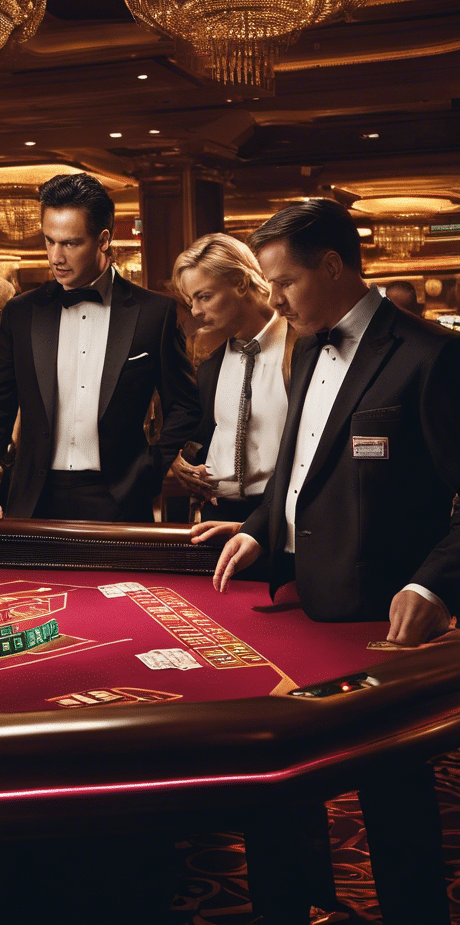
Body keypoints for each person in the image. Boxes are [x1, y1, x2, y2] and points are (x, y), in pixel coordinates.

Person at [198, 198, 460, 924]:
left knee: (393, 798)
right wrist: (261, 527)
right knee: (287, 781)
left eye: (284, 282)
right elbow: (300, 462)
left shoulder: (431, 356)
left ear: (336, 266)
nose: (274, 299)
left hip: (382, 621)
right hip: (304, 607)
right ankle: (300, 907)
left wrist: (434, 582)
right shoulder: (309, 343)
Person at [0, 172, 200, 532]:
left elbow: (185, 404)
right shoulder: (22, 312)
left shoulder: (154, 313)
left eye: (71, 243)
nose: (56, 257)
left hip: (119, 497)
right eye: (49, 241)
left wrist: (151, 466)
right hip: (33, 498)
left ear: (103, 240)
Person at [169, 234, 295, 522]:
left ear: (240, 283)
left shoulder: (302, 350)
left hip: (282, 515)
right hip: (219, 512)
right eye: (191, 301)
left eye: (204, 296)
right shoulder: (208, 365)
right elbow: (201, 436)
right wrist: (180, 462)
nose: (196, 311)